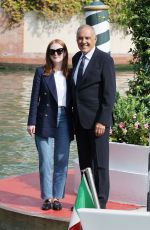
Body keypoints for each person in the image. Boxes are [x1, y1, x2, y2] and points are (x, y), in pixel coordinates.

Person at [71, 25, 116, 209]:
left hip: (98, 122)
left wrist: (103, 120)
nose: (84, 41)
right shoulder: (75, 58)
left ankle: (101, 203)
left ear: (95, 39)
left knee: (100, 165)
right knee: (85, 164)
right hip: (80, 122)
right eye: (81, 38)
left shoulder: (105, 60)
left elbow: (109, 93)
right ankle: (87, 200)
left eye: (87, 38)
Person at [27, 39, 73, 211]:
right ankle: (47, 197)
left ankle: (57, 197)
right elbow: (34, 99)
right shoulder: (41, 72)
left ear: (65, 52)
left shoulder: (70, 73)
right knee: (45, 160)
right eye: (52, 51)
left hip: (65, 118)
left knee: (61, 160)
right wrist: (31, 121)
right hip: (44, 118)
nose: (56, 54)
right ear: (48, 54)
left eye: (59, 50)